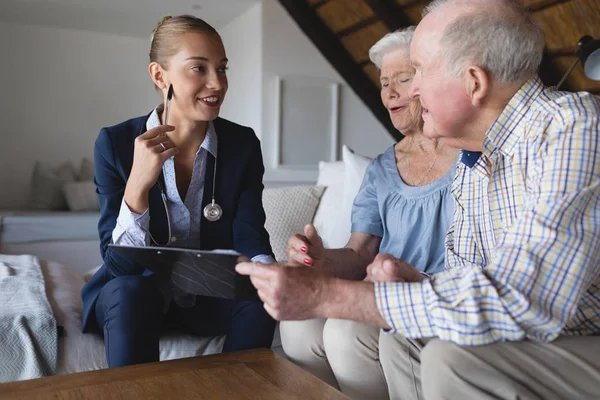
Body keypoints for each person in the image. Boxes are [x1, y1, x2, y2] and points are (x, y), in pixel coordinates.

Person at [237, 1, 600, 399]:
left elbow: (528, 296)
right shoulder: (474, 159)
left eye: (420, 72)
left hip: (579, 331)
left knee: (451, 359)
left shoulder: (574, 126)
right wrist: (416, 281)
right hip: (535, 326)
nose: (411, 91)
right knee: (403, 339)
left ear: (473, 82)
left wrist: (325, 295)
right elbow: (468, 274)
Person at [81, 15, 276, 368]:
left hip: (208, 300)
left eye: (222, 68)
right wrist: (138, 184)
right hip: (135, 298)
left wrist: (270, 275)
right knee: (129, 290)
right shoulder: (115, 143)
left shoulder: (242, 144)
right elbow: (118, 266)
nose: (216, 83)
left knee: (262, 292)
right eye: (198, 68)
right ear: (160, 75)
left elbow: (250, 238)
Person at [279, 26, 459, 399]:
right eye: (384, 82)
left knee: (344, 332)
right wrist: (318, 258)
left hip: (434, 296)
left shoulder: (468, 153)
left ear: (429, 79)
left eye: (403, 78)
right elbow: (360, 252)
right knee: (298, 322)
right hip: (382, 291)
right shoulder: (380, 169)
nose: (390, 92)